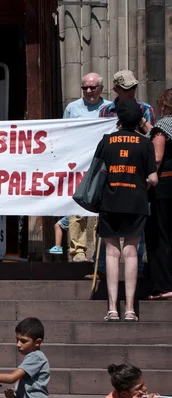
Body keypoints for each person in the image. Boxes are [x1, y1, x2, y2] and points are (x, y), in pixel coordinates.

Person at [96, 100, 158, 321]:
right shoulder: (145, 143)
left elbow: (96, 171)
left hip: (110, 202)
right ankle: (130, 309)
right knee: (131, 252)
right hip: (136, 202)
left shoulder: (107, 141)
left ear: (119, 119)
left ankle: (112, 308)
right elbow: (153, 177)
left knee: (111, 253)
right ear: (139, 119)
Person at [94, 70, 157, 279]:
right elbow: (97, 140)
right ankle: (102, 269)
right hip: (112, 176)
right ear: (116, 90)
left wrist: (138, 123)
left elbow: (153, 140)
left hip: (135, 177)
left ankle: (136, 270)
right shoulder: (105, 112)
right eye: (126, 89)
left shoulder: (145, 109)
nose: (131, 92)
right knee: (107, 231)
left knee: (135, 232)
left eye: (133, 88)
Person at [51, 73, 111, 261]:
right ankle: (78, 252)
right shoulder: (72, 108)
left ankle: (98, 252)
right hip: (78, 164)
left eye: (93, 87)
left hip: (101, 164)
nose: (89, 91)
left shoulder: (110, 108)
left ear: (101, 88)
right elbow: (64, 133)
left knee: (100, 209)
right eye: (85, 88)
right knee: (76, 208)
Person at [146, 88, 172, 300]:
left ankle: (163, 285)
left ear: (163, 105)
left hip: (165, 186)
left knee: (159, 236)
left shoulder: (163, 126)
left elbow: (156, 159)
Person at [0, 317, 50, 398]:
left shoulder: (35, 356)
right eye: (17, 340)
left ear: (37, 342)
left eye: (23, 341)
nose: (18, 344)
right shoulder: (34, 357)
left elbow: (11, 378)